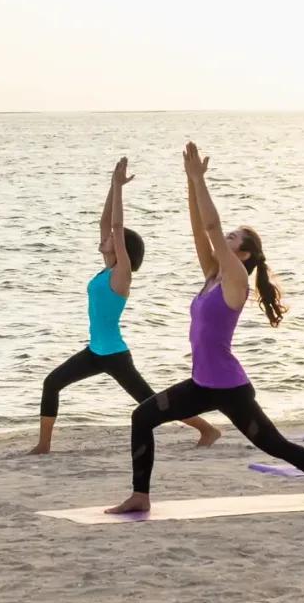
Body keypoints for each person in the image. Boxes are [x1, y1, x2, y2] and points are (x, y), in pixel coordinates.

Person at [105, 143, 304, 514]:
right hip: (201, 384)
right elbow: (199, 229)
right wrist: (189, 182)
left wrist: (201, 180)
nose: (225, 240)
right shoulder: (213, 275)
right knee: (143, 417)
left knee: (273, 444)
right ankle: (141, 495)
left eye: (234, 239)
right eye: (228, 236)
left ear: (244, 255)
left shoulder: (235, 279)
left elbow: (212, 227)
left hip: (230, 388)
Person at [28, 158, 219, 454]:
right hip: (94, 351)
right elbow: (107, 223)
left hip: (115, 355)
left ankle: (207, 429)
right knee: (52, 383)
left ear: (121, 249)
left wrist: (120, 189)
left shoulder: (121, 275)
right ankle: (43, 445)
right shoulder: (107, 269)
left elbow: (116, 226)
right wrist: (111, 183)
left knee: (151, 400)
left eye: (110, 241)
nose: (103, 240)